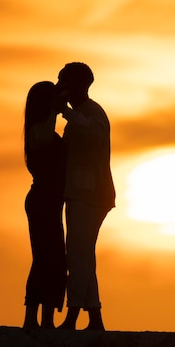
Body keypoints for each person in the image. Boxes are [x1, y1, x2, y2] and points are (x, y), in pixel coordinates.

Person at [55, 62, 116, 331]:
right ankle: (95, 319)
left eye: (63, 82)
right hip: (80, 192)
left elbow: (94, 135)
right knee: (83, 255)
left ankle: (72, 316)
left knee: (78, 255)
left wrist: (66, 113)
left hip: (90, 194)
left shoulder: (92, 113)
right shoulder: (83, 113)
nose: (60, 87)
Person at [22, 81, 67, 330]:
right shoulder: (37, 132)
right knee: (43, 258)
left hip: (51, 202)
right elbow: (45, 134)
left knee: (56, 259)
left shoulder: (44, 130)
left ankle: (47, 319)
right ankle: (31, 319)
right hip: (41, 201)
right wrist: (55, 108)